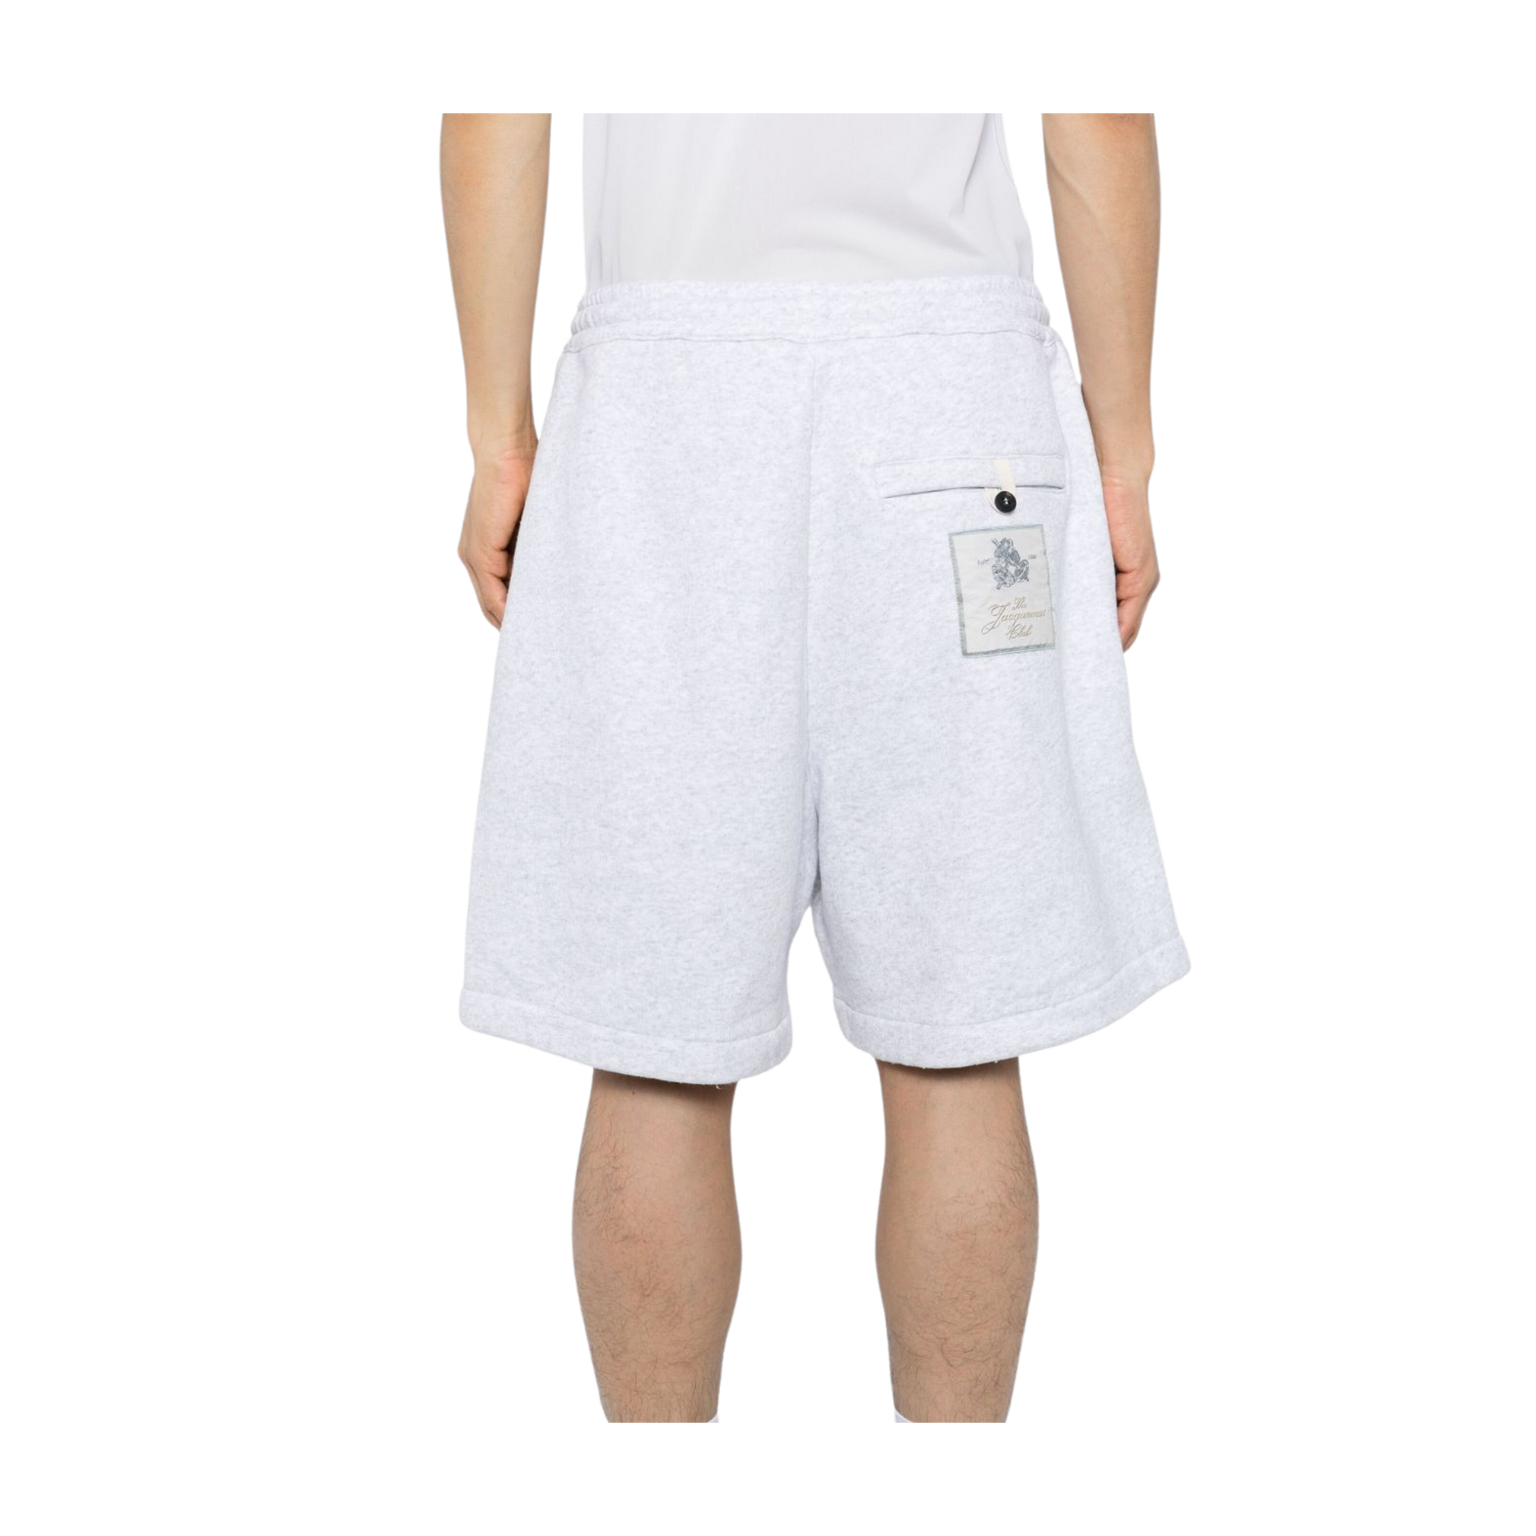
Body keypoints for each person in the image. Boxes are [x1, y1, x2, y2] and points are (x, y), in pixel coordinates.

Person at [441, 110, 1192, 1426]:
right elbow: (1100, 123)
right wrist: (1125, 449)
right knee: (960, 1036)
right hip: (951, 394)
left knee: (656, 1040)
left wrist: (497, 435)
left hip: (667, 393)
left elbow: (493, 121)